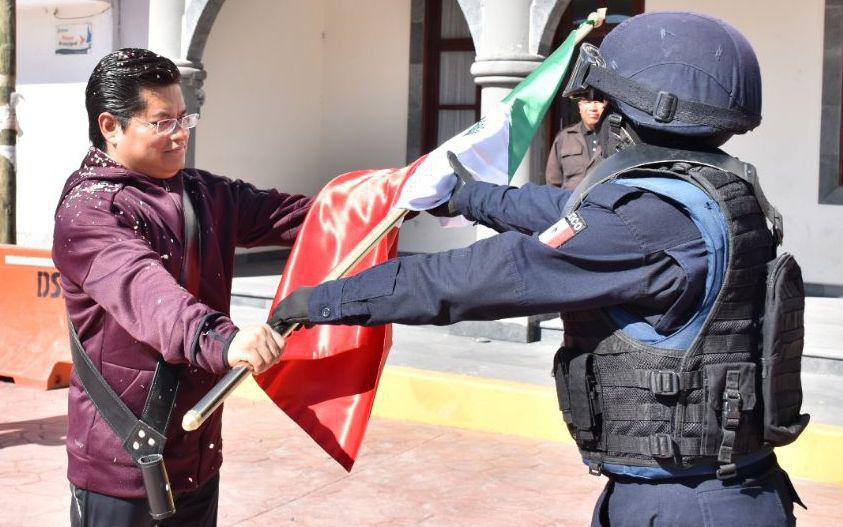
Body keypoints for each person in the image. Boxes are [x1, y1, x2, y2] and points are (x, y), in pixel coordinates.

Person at [271, 13, 808, 526]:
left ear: (642, 111)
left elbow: (476, 278)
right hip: (713, 488)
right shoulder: (712, 192)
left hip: (686, 503)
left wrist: (325, 300)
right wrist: (460, 195)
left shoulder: (644, 223)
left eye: (608, 100)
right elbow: (559, 213)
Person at [53, 49, 312, 526]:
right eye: (162, 121)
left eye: (183, 117)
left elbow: (301, 216)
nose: (180, 134)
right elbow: (150, 297)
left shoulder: (203, 193)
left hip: (195, 456)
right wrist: (226, 340)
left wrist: (393, 197)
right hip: (121, 470)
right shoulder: (90, 212)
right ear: (110, 126)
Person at [544, 91, 606, 189]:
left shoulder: (615, 138)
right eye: (587, 102)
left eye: (597, 102)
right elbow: (553, 182)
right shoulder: (565, 138)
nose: (593, 108)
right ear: (580, 107)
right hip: (569, 202)